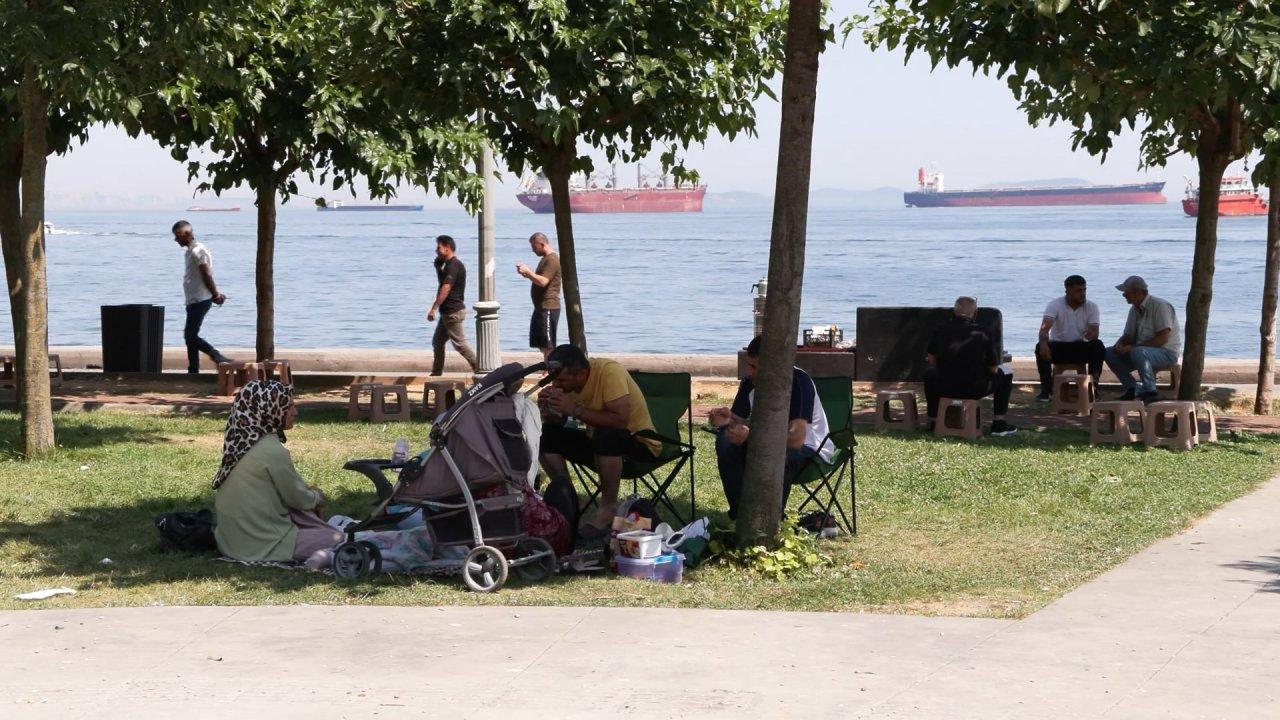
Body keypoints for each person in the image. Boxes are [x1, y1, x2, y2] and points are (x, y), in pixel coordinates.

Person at [212, 380, 343, 563]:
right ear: (270, 410)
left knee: (302, 513)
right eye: (288, 406)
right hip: (260, 545)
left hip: (229, 542)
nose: (295, 412)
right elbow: (297, 498)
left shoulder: (239, 443)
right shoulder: (272, 450)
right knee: (337, 539)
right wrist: (317, 497)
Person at [538, 344, 659, 539]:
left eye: (561, 380)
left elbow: (620, 421)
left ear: (582, 374)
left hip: (639, 444)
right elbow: (558, 421)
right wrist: (548, 410)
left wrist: (574, 409)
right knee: (546, 435)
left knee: (607, 434)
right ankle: (569, 498)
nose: (557, 385)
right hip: (598, 444)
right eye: (554, 380)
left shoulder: (609, 372)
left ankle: (608, 508)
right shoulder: (565, 382)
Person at [708, 335, 834, 521]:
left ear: (774, 366)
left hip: (809, 449)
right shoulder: (750, 382)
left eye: (754, 367)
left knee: (777, 454)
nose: (748, 372)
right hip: (766, 443)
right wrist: (724, 420)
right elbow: (737, 421)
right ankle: (741, 516)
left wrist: (752, 437)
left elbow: (796, 440)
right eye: (748, 365)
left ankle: (770, 520)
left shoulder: (798, 383)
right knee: (726, 440)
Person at [924, 297, 1018, 436]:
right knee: (1006, 374)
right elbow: (993, 367)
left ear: (954, 311)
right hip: (974, 389)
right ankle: (999, 423)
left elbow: (931, 360)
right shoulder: (983, 332)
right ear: (975, 313)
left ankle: (933, 421)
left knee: (929, 374)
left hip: (943, 386)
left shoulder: (940, 329)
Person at [1105, 275, 1181, 403]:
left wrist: (1133, 347)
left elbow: (1162, 339)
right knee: (1109, 353)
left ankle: (1150, 391)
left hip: (1166, 352)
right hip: (1141, 352)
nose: (1124, 295)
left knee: (1138, 351)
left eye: (1126, 292)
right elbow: (1128, 335)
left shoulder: (1160, 306)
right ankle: (1132, 388)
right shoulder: (1134, 310)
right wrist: (1120, 343)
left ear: (1137, 293)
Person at [1035, 275, 1105, 401]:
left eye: (1084, 290)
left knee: (1098, 345)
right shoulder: (1055, 305)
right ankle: (1046, 390)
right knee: (1040, 346)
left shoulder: (1091, 306)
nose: (1082, 294)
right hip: (1059, 347)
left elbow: (1095, 332)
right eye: (1078, 291)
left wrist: (1091, 334)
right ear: (1068, 291)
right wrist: (1044, 344)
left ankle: (1093, 387)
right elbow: (1044, 330)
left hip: (1079, 347)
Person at [172, 220, 230, 373]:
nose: (175, 239)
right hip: (193, 300)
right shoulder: (191, 251)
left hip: (200, 299)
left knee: (190, 336)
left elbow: (206, 274)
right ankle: (193, 369)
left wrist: (215, 294)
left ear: (188, 234)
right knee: (191, 336)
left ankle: (216, 356)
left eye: (178, 235)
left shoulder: (199, 251)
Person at [428, 235, 477, 376]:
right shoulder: (447, 266)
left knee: (460, 344)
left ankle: (480, 368)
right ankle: (436, 373)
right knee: (437, 342)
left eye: (439, 247)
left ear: (447, 248)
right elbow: (442, 283)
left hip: (453, 311)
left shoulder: (454, 265)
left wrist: (434, 308)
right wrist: (438, 269)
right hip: (447, 312)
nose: (436, 251)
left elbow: (446, 287)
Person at [516, 232, 562, 359]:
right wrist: (526, 275)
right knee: (540, 341)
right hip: (540, 307)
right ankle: (548, 366)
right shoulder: (545, 259)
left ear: (542, 244)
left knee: (548, 343)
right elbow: (539, 279)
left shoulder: (552, 259)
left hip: (549, 306)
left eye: (534, 247)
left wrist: (528, 272)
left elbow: (543, 281)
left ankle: (550, 370)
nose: (532, 250)